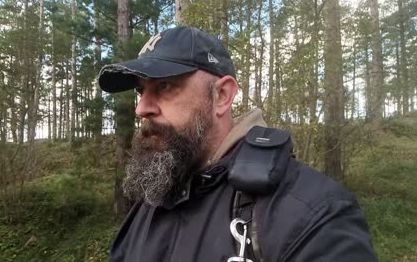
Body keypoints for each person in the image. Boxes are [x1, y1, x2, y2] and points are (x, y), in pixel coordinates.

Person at [98, 26, 377, 262]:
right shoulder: (153, 197)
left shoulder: (313, 213)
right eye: (141, 90)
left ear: (222, 95)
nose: (142, 108)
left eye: (165, 87)